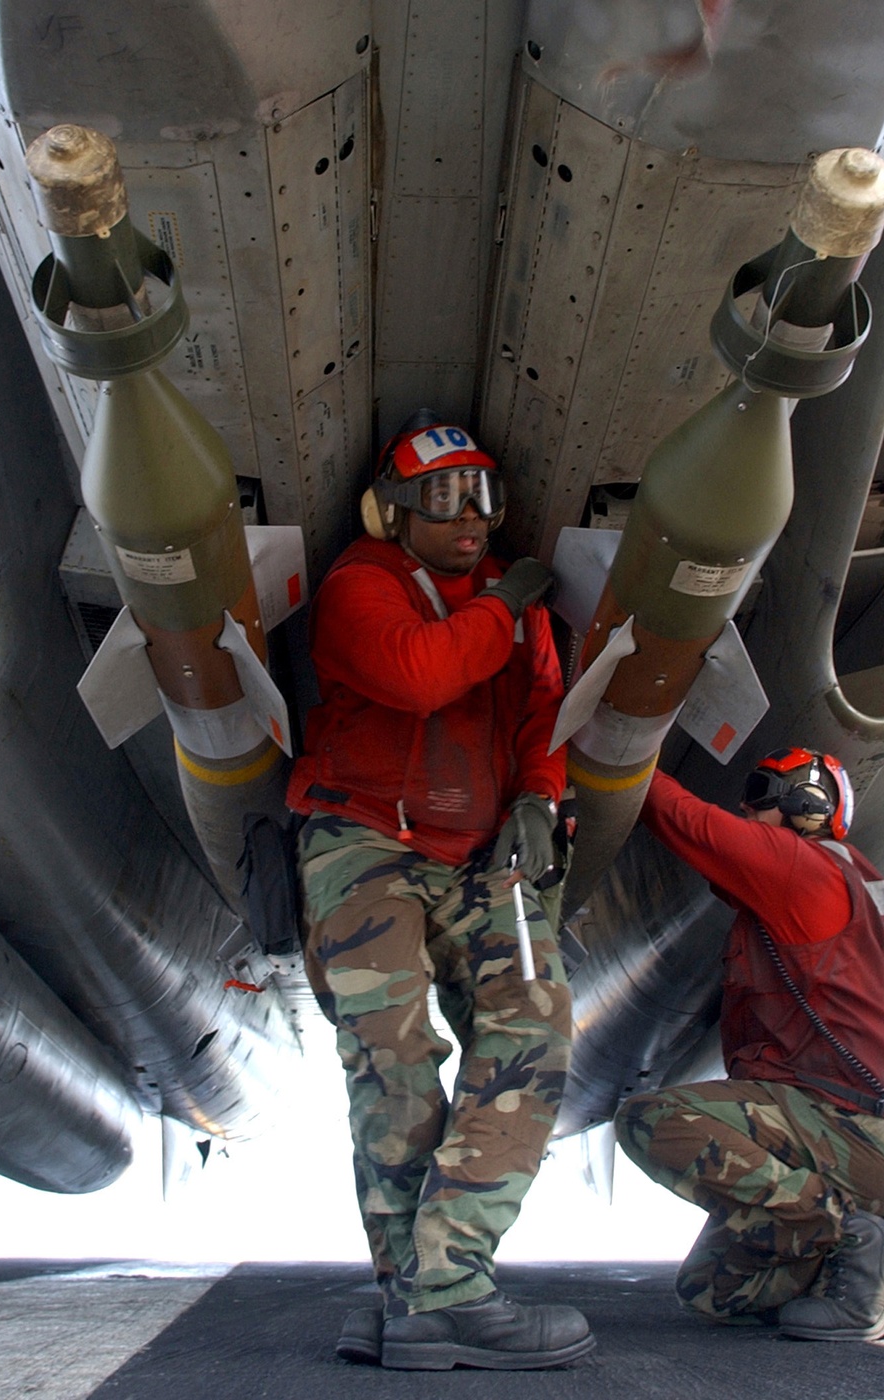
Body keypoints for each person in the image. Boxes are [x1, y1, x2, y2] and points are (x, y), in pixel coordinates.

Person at [286, 414, 591, 1370]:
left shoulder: (520, 607)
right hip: (364, 843)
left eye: (485, 497)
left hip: (482, 855)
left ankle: (425, 1290)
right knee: (395, 1059)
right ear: (393, 511)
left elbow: (547, 704)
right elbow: (422, 676)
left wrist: (541, 795)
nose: (473, 518)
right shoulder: (358, 586)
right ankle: (431, 1296)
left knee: (534, 1027)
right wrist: (502, 601)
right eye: (446, 499)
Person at [614, 748, 884, 1341]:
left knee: (650, 1120)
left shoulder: (805, 868)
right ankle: (855, 1267)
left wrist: (616, 745)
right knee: (712, 1292)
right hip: (843, 1135)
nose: (745, 806)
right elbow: (721, 869)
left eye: (760, 791)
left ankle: (847, 1235)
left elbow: (689, 823)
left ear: (806, 801)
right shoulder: (845, 877)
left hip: (847, 1127)